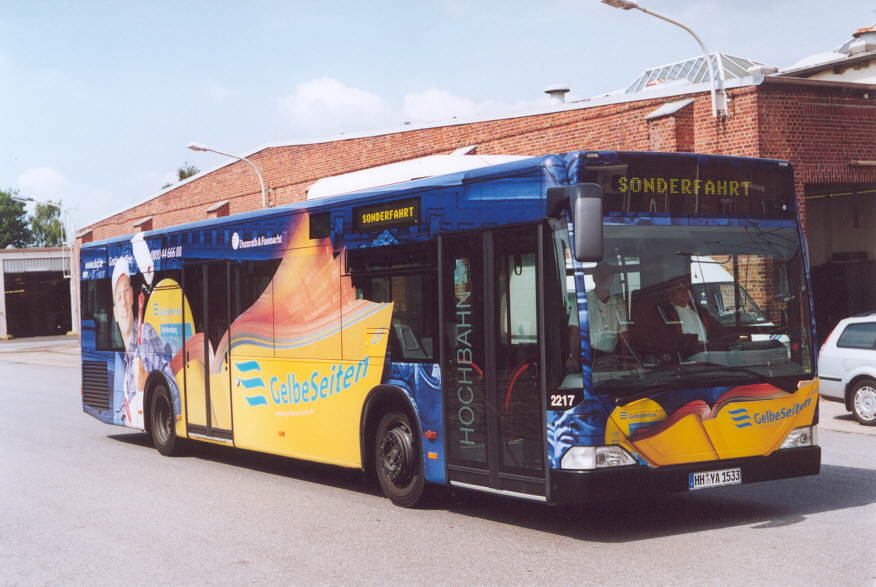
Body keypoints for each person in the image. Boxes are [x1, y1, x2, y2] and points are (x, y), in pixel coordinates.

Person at [111, 257, 179, 428]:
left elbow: (172, 384)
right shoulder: (124, 360)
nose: (123, 302)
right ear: (115, 313)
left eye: (126, 292)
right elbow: (122, 413)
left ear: (132, 298)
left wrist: (146, 381)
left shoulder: (146, 334)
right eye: (118, 297)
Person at [585, 263, 629, 356]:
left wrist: (624, 358)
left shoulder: (619, 303)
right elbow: (575, 332)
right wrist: (575, 358)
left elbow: (623, 334)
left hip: (613, 355)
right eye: (601, 274)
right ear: (594, 278)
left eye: (608, 275)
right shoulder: (583, 301)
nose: (604, 278)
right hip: (589, 355)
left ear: (612, 278)